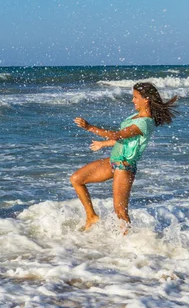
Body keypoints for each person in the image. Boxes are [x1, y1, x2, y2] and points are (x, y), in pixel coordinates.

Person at [71, 82, 177, 231]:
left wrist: (90, 127)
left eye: (135, 97)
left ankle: (128, 244)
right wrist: (104, 144)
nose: (133, 100)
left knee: (120, 212)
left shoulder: (145, 123)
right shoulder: (136, 116)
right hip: (113, 161)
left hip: (125, 166)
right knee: (76, 179)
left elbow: (118, 135)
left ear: (146, 99)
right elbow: (123, 139)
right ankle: (91, 217)